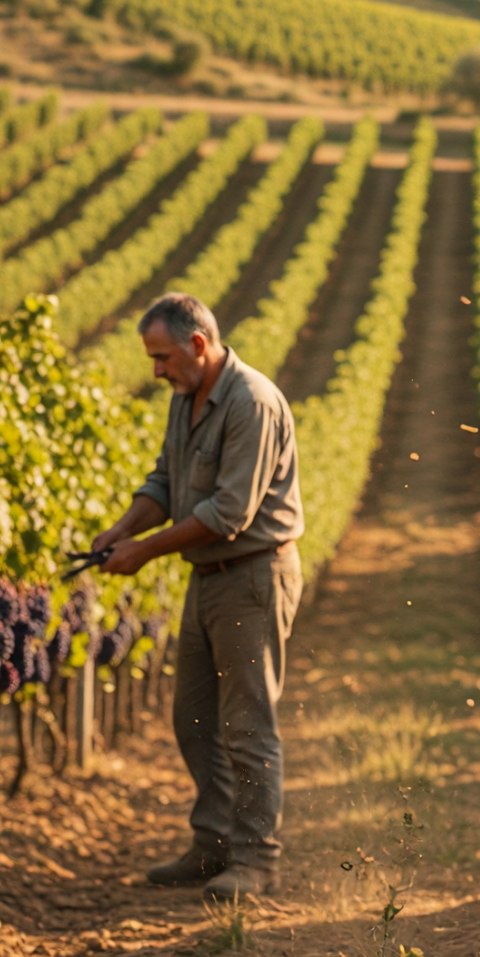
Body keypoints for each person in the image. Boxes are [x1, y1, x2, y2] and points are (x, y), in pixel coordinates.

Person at [90, 293, 304, 900]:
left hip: (253, 576)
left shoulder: (251, 402)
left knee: (247, 724)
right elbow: (165, 481)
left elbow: (229, 513)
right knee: (194, 718)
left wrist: (144, 552)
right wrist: (123, 529)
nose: (155, 371)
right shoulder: (186, 400)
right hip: (209, 577)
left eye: (161, 357)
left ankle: (256, 859)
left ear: (199, 345)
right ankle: (213, 847)